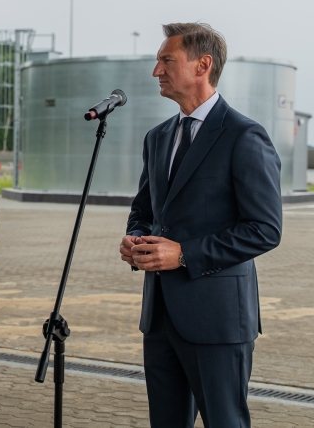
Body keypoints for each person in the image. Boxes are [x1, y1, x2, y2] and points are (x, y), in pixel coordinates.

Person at [119, 23, 283, 427]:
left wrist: (184, 254)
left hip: (218, 318)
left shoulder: (244, 136)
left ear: (202, 65)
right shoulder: (158, 138)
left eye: (166, 60)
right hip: (160, 316)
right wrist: (137, 240)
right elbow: (146, 208)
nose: (156, 70)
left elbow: (265, 228)